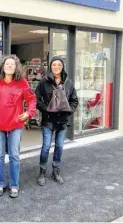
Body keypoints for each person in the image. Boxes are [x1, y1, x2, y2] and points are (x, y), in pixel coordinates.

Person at [0, 55, 37, 198]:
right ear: (2, 66)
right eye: (7, 64)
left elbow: (32, 99)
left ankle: (14, 185)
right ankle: (0, 184)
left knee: (14, 156)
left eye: (12, 65)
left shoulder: (22, 83)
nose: (9, 66)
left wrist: (28, 113)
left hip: (15, 124)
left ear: (16, 68)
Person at [35, 56, 79, 186]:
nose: (56, 67)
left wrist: (69, 110)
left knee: (59, 146)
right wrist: (46, 109)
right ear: (50, 67)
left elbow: (74, 100)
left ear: (62, 67)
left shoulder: (69, 83)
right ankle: (42, 171)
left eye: (59, 65)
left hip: (63, 120)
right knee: (46, 146)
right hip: (48, 120)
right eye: (54, 65)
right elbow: (36, 99)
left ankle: (56, 170)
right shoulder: (44, 82)